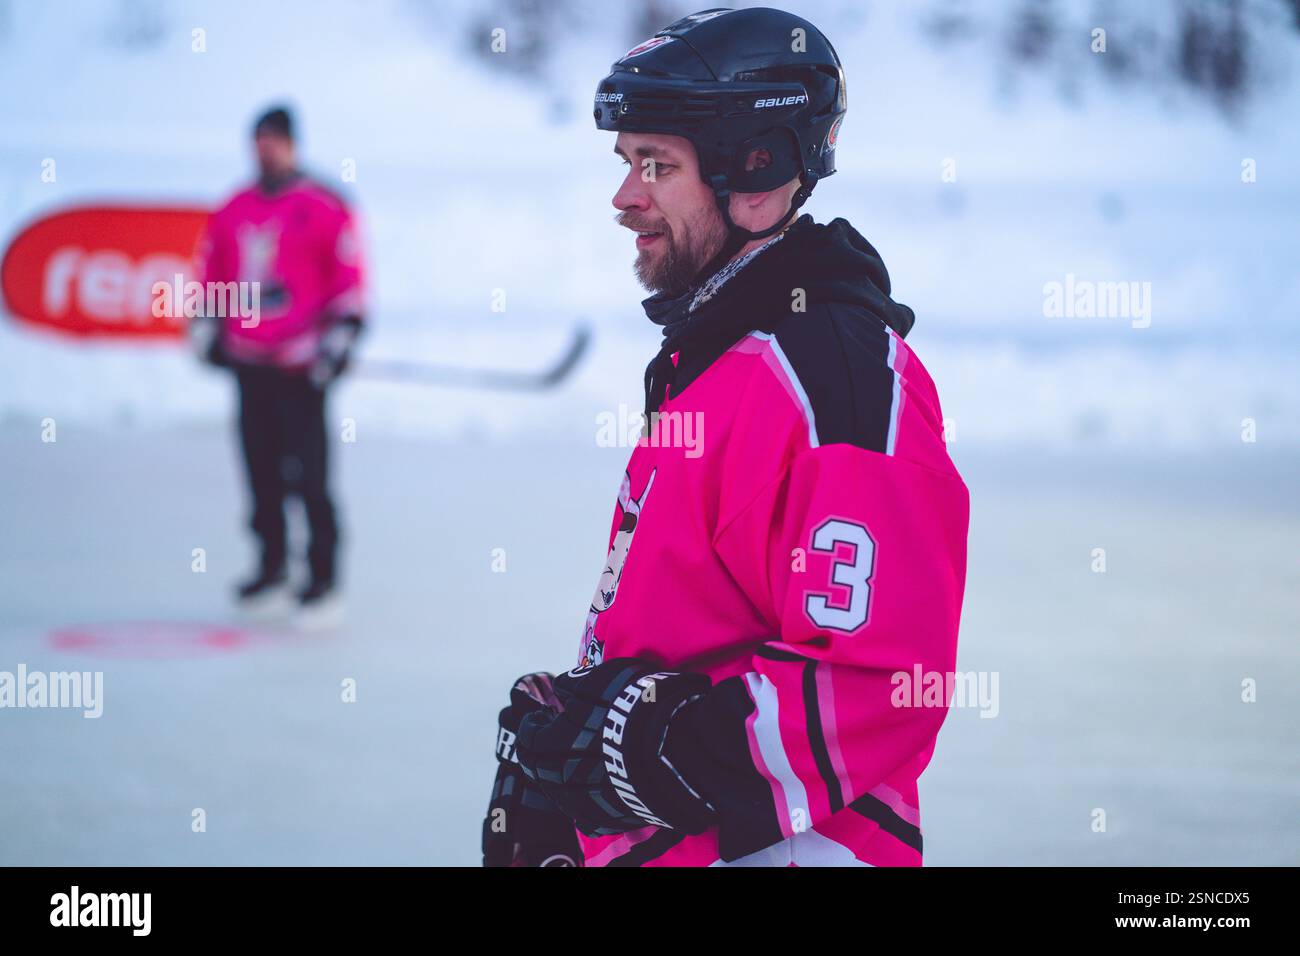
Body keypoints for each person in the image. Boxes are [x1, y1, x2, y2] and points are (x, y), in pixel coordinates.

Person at [482, 8, 970, 867]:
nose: (625, 197)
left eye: (657, 165)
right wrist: (578, 768)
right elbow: (686, 622)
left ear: (759, 173)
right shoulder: (718, 356)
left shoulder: (834, 377)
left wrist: (640, 755)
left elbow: (876, 683)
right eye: (629, 162)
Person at [190, 105, 366, 625]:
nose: (266, 150)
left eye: (275, 140)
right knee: (259, 472)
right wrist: (208, 327)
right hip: (250, 368)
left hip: (300, 369)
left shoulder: (325, 206)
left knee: (310, 477)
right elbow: (212, 274)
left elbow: (349, 283)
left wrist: (338, 343)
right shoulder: (235, 207)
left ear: (293, 144)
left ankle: (323, 577)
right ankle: (271, 567)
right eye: (258, 140)